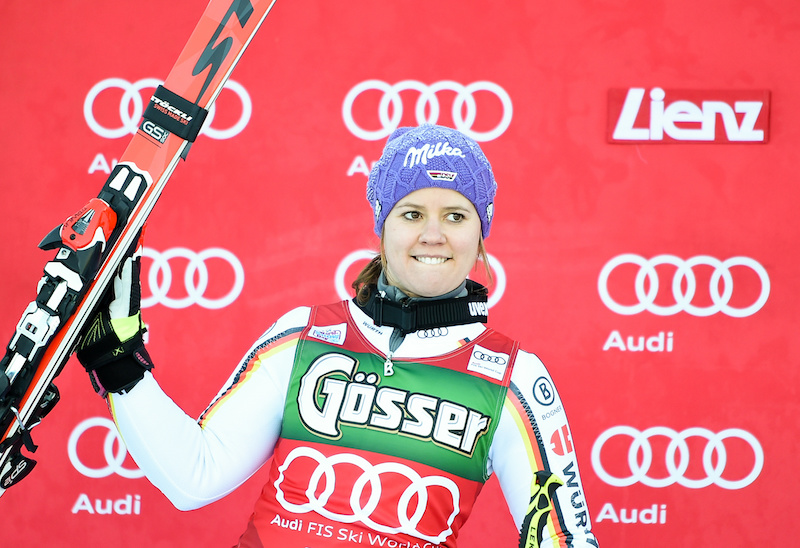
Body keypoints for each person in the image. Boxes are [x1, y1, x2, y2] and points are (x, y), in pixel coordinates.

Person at [76, 124, 599, 547]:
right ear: (383, 226)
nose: (433, 234)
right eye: (412, 213)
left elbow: (567, 539)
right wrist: (117, 364)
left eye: (456, 216)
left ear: (480, 233)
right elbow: (195, 476)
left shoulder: (511, 380)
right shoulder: (304, 335)